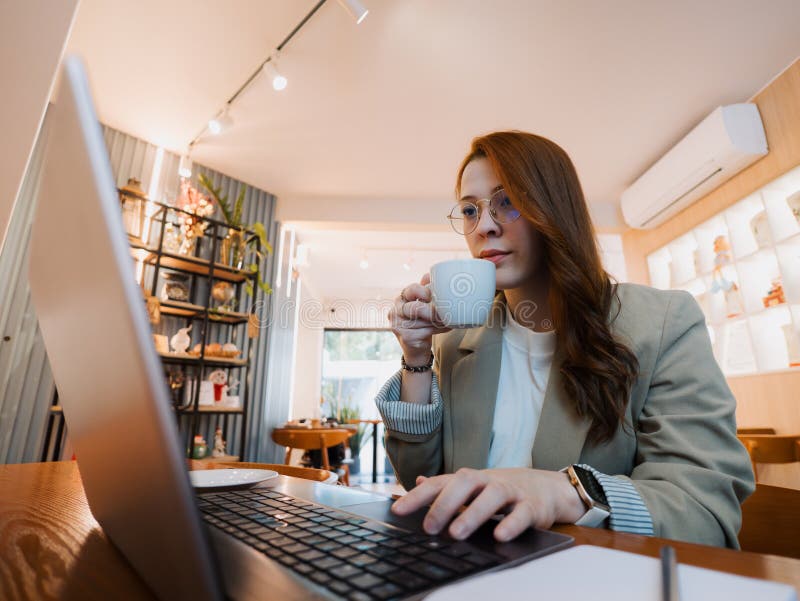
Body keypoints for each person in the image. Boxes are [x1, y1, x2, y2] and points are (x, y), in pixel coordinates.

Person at [375, 131, 754, 548]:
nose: (483, 226)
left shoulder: (663, 324)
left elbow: (703, 511)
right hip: (471, 572)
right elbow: (419, 483)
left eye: (507, 202)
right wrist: (416, 356)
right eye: (469, 210)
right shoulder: (457, 341)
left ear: (554, 208)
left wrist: (568, 492)